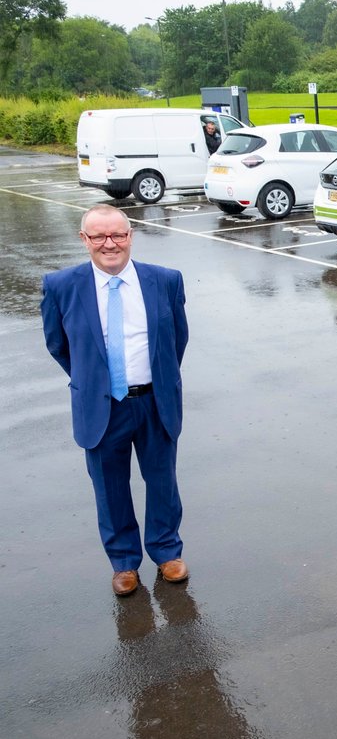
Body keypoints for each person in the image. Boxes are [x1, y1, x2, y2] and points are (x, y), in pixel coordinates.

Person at [41, 205, 190, 597]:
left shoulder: (165, 280)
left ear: (130, 236)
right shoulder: (61, 286)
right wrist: (93, 381)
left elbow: (177, 339)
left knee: (162, 481)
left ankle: (167, 552)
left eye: (118, 235)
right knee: (109, 488)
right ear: (84, 240)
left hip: (155, 401)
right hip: (102, 406)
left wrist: (158, 380)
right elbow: (58, 345)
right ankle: (124, 563)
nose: (110, 244)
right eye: (99, 236)